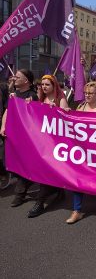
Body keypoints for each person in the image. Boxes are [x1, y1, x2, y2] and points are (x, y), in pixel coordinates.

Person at [66, 82, 96, 224]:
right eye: (86, 93)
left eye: (90, 93)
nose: (87, 95)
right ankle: (77, 210)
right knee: (77, 179)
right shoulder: (80, 107)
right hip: (82, 151)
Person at [27, 75, 68, 218]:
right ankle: (59, 191)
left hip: (56, 143)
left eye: (47, 85)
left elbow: (65, 115)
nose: (44, 87)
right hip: (42, 141)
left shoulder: (60, 99)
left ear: (54, 86)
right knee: (44, 170)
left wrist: (56, 110)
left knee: (47, 171)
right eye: (42, 84)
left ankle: (40, 202)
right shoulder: (40, 98)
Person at [0, 69, 39, 207]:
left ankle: (20, 193)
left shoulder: (32, 96)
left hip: (25, 137)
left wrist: (31, 103)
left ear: (26, 81)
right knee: (7, 161)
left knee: (22, 163)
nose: (14, 78)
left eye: (17, 77)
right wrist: (3, 126)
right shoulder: (13, 95)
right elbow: (7, 111)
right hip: (11, 134)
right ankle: (31, 179)